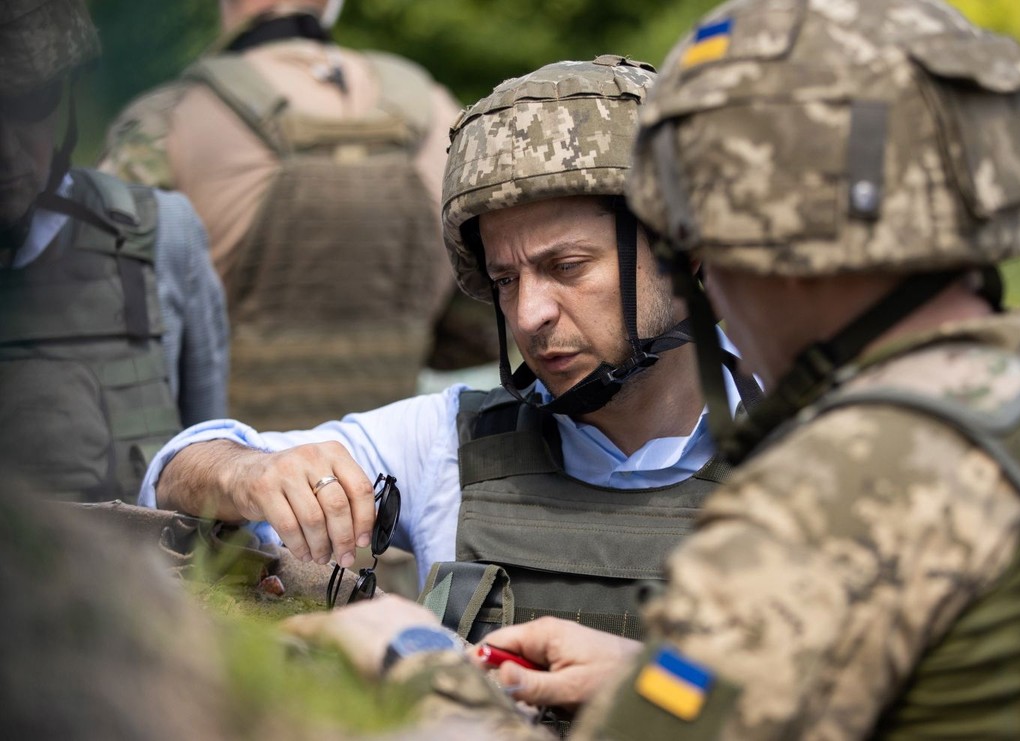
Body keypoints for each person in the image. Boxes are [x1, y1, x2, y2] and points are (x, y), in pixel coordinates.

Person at [284, 1, 1020, 739]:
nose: (705, 271)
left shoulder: (835, 495)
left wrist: (412, 657)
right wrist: (660, 679)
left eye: (706, 233)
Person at [144, 57, 757, 645]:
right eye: (506, 280)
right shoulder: (446, 442)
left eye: (566, 267)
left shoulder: (815, 444)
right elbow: (171, 475)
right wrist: (246, 472)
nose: (528, 314)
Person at [99, 0, 497, 431]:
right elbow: (487, 317)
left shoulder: (170, 119)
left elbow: (95, 312)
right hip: (384, 478)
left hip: (212, 477)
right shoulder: (440, 113)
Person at [0, 0, 228, 503]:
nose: (7, 149)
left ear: (64, 101)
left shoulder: (163, 233)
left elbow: (212, 463)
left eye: (29, 104)